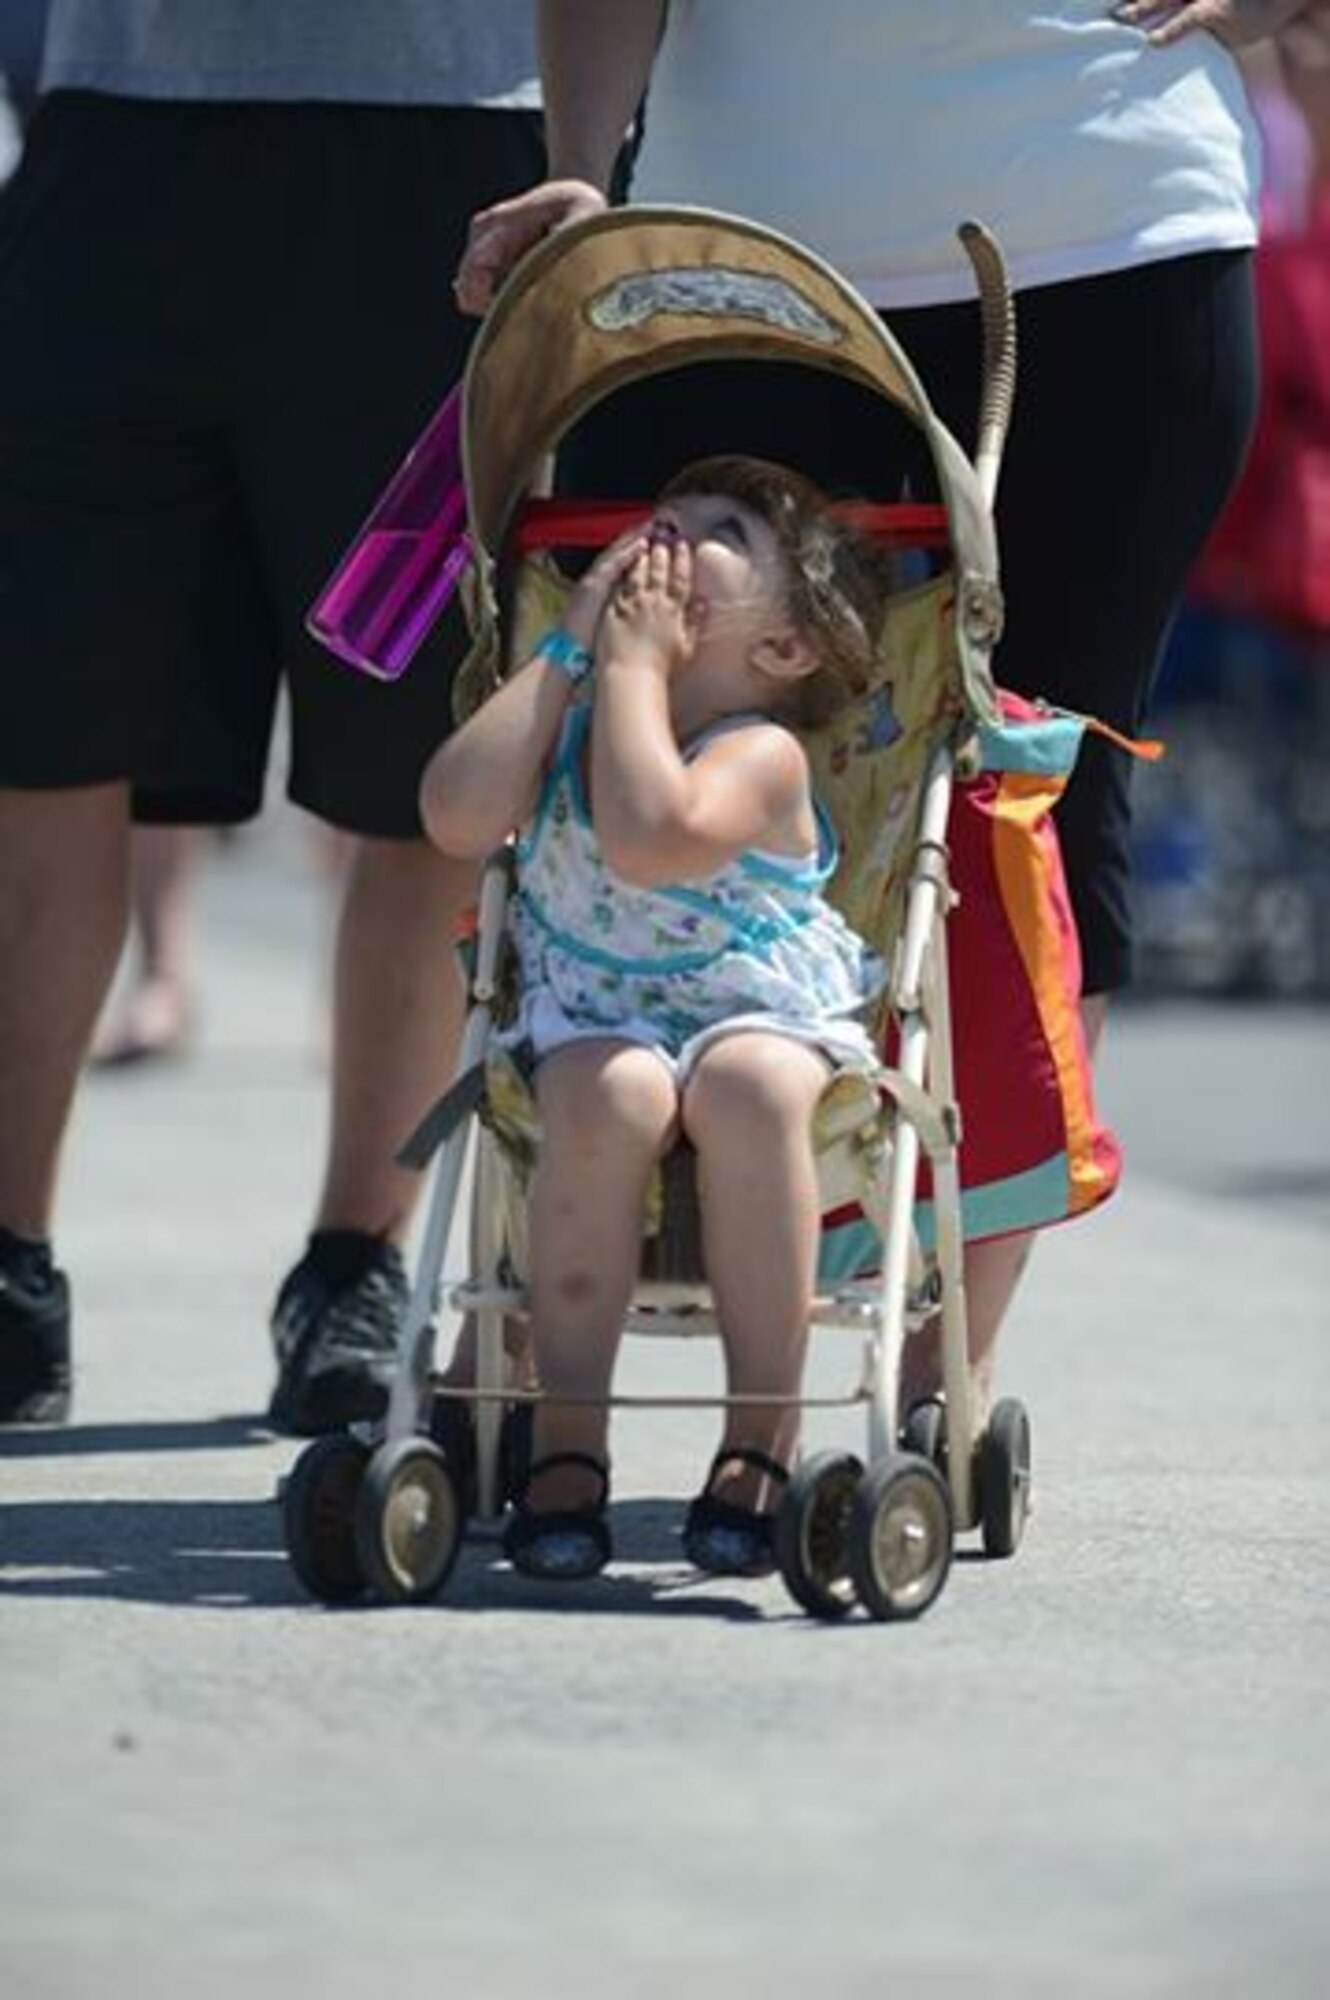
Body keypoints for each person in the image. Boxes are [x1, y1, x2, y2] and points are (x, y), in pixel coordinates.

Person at [454, 0, 1329, 1418]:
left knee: (1023, 807)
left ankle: (938, 1376)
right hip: (729, 259)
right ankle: (521, 1343)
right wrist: (583, 166)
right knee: (608, 772)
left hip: (1106, 249)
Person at [0, 2, 545, 1429]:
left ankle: (353, 1263)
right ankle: (7, 1267)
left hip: (455, 153)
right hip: (111, 138)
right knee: (40, 734)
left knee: (416, 762)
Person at [421, 455, 892, 1580]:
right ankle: (566, 1435)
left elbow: (649, 832)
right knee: (606, 1093)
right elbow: (451, 815)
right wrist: (569, 650)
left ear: (782, 648)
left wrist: (630, 664)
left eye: (719, 529)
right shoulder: (575, 711)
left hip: (753, 1011)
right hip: (600, 1013)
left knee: (748, 1084)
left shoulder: (761, 753)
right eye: (661, 515)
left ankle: (758, 1435)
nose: (669, 531)